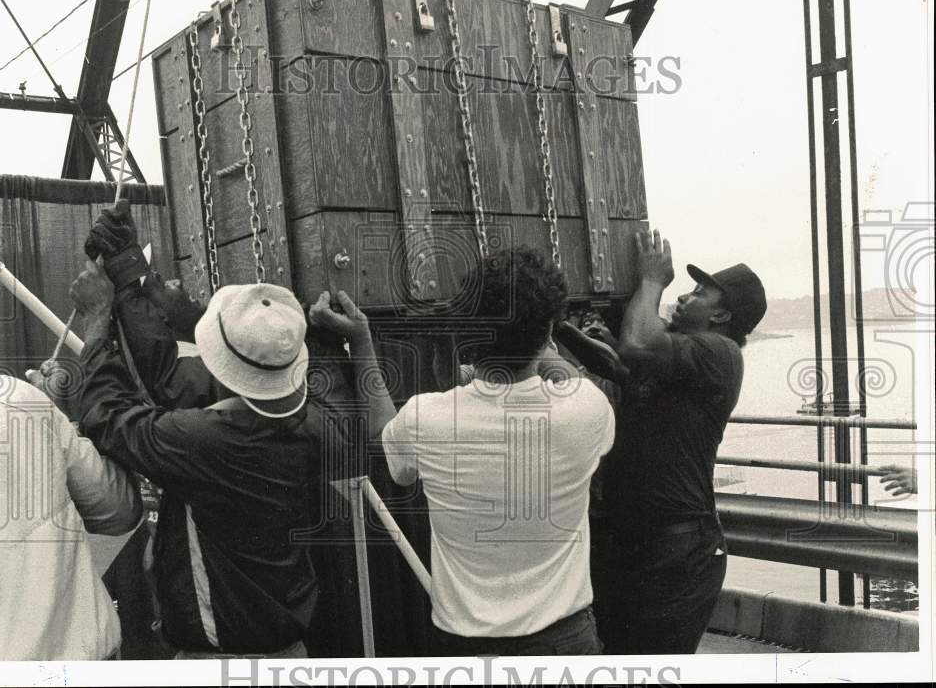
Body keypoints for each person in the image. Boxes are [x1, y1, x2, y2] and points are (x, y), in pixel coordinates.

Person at [312, 245, 616, 656]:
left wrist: (362, 341)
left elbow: (382, 428)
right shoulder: (586, 408)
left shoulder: (428, 418)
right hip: (562, 643)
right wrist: (545, 352)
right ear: (546, 335)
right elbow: (566, 376)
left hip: (466, 650)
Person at [65, 248, 365, 659]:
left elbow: (108, 416)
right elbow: (174, 379)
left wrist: (99, 317)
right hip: (289, 655)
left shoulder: (205, 442)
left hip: (218, 667)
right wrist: (128, 267)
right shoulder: (316, 426)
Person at [587, 229, 766, 655]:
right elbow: (623, 364)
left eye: (700, 293)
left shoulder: (719, 353)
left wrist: (652, 281)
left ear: (721, 317)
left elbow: (637, 344)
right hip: (637, 546)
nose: (684, 297)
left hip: (677, 555)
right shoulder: (680, 363)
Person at [0, 374, 142, 660]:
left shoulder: (14, 400)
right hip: (86, 654)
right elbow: (118, 508)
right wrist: (48, 420)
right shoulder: (10, 398)